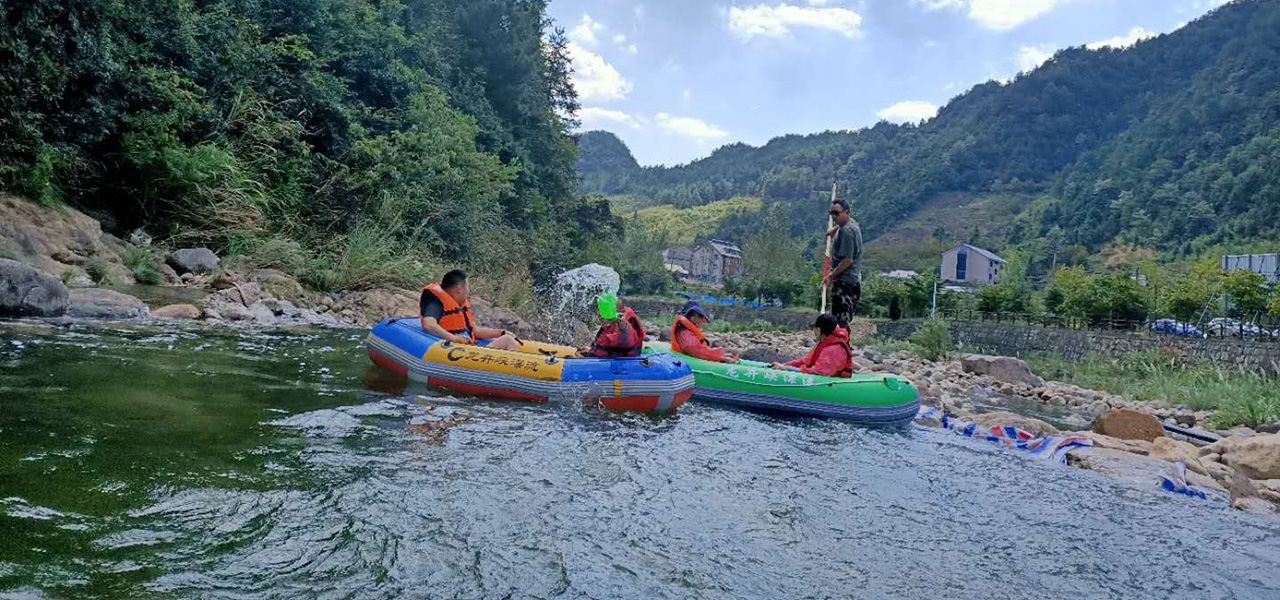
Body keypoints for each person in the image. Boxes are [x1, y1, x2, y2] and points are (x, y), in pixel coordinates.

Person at [419, 269, 520, 351]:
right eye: (467, 286)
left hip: (467, 349)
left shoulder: (460, 305)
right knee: (508, 341)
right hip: (453, 350)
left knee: (506, 337)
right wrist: (453, 338)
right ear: (459, 288)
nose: (468, 290)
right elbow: (429, 325)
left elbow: (475, 331)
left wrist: (500, 332)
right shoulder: (436, 303)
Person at [770, 313, 853, 378]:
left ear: (819, 330)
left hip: (828, 382)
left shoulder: (832, 350)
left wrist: (786, 369)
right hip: (821, 374)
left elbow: (818, 373)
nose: (813, 330)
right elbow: (805, 361)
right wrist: (785, 365)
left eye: (815, 328)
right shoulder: (824, 343)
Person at [824, 198, 863, 329]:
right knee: (840, 319)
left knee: (840, 321)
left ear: (847, 212)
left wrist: (831, 276)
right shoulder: (848, 225)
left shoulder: (847, 231)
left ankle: (841, 347)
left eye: (836, 213)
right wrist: (834, 230)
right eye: (832, 213)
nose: (834, 216)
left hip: (845, 282)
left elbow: (847, 261)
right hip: (850, 280)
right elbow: (844, 225)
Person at [670, 300, 739, 363]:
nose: (702, 322)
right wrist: (721, 357)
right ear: (693, 317)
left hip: (690, 357)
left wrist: (721, 354)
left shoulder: (687, 331)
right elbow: (696, 352)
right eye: (701, 318)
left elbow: (700, 349)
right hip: (685, 362)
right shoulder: (684, 333)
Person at [580, 293, 645, 358]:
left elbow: (626, 341)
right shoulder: (607, 327)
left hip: (622, 363)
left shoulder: (623, 322)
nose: (600, 319)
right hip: (605, 359)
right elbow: (604, 346)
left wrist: (623, 326)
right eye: (600, 315)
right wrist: (591, 349)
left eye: (602, 316)